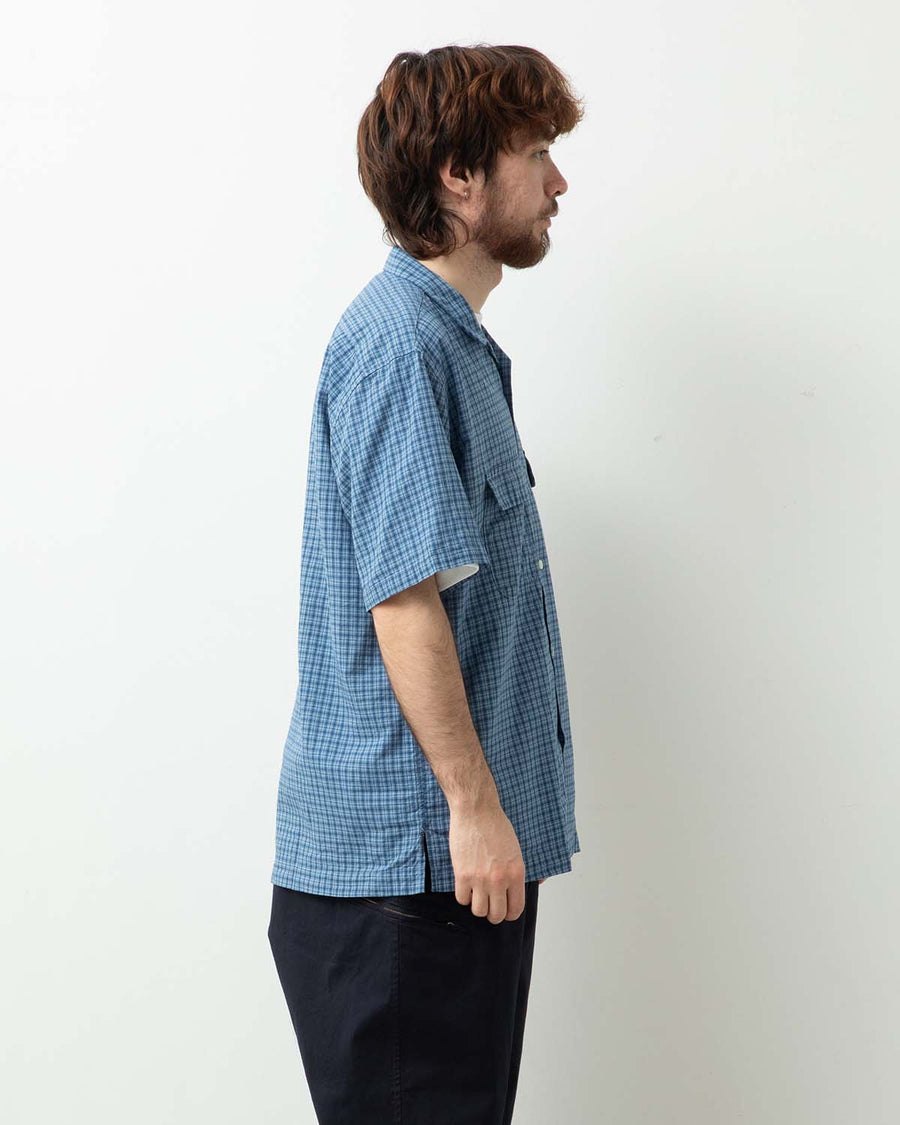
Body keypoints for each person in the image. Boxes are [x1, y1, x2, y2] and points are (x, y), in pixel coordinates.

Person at [267, 43, 585, 1125]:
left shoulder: (450, 347)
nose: (558, 182)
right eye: (535, 153)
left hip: (440, 876)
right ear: (458, 175)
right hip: (410, 880)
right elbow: (405, 601)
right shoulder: (402, 346)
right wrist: (475, 809)